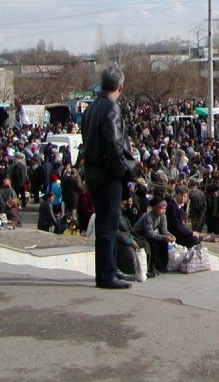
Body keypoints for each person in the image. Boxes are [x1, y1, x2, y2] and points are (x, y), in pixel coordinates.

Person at [81, 64, 137, 290]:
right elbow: (114, 144)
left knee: (107, 224)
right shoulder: (111, 108)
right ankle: (106, 274)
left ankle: (110, 269)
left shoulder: (92, 107)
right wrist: (122, 169)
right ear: (120, 86)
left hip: (95, 173)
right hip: (108, 174)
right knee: (107, 226)